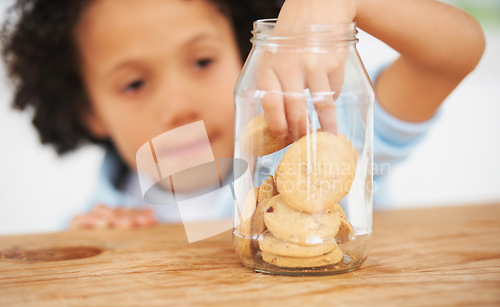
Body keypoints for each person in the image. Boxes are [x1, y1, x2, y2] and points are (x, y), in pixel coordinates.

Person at [1, 0, 484, 229]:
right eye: (134, 83)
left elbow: (452, 54)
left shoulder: (321, 133)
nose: (180, 104)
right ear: (88, 110)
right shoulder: (105, 213)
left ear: (245, 51)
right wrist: (105, 252)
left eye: (203, 61)